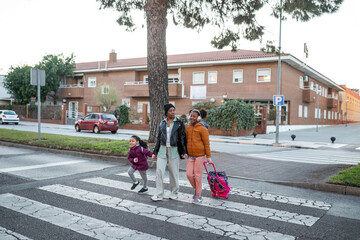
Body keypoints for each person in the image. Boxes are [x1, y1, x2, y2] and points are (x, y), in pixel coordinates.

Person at [151, 103, 187, 201]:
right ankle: (159, 194)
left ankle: (174, 193)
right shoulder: (162, 123)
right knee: (159, 172)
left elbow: (182, 138)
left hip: (174, 150)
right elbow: (158, 138)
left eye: (173, 110)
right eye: (170, 110)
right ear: (166, 112)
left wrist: (183, 151)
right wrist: (155, 152)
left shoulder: (179, 123)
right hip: (162, 150)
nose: (173, 112)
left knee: (174, 173)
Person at [186, 109, 212, 204]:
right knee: (189, 174)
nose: (192, 117)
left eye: (194, 116)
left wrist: (208, 157)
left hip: (200, 156)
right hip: (190, 155)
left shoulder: (202, 129)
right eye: (191, 116)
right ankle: (197, 188)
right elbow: (185, 141)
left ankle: (198, 195)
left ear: (199, 118)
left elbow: (206, 144)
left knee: (198, 175)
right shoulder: (188, 128)